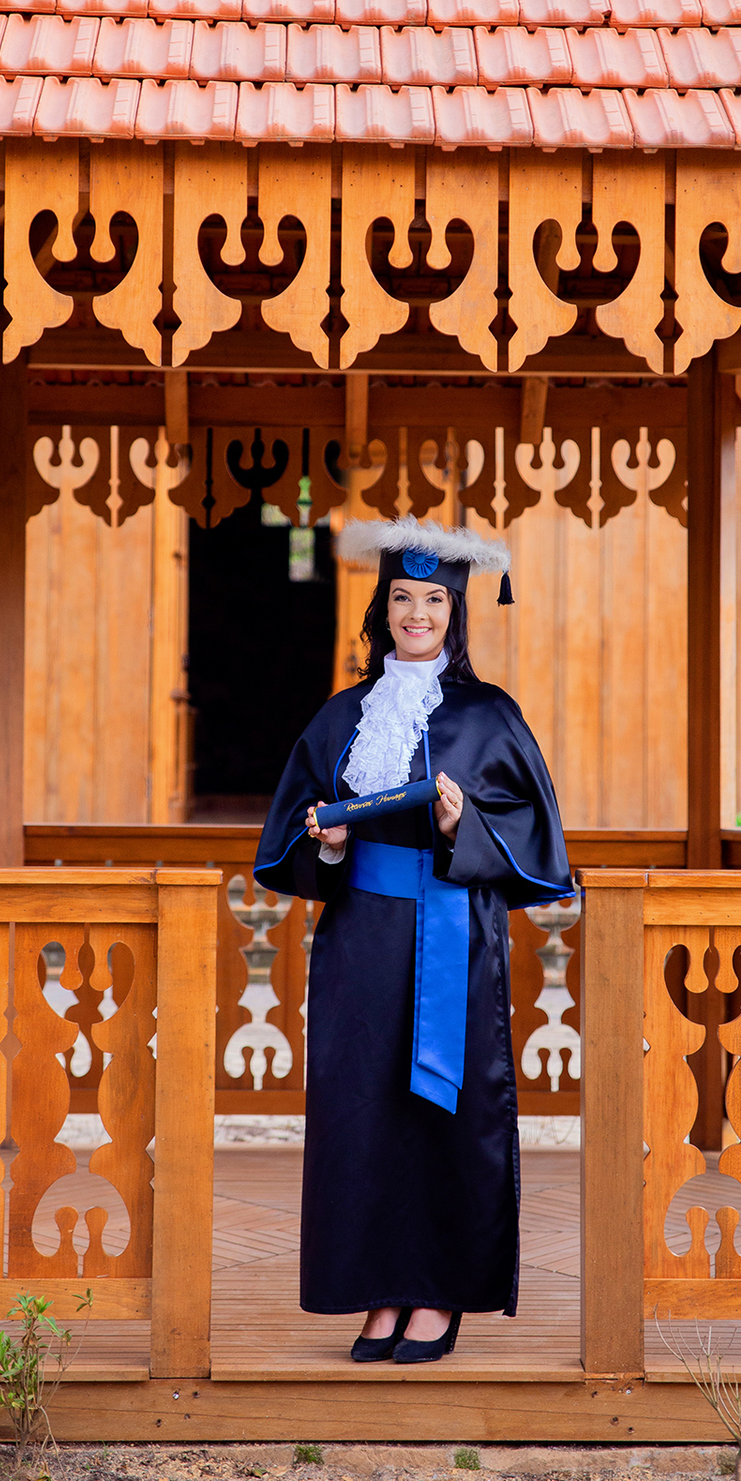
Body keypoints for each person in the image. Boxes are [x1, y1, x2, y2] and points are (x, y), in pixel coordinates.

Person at [253, 518, 571, 1365]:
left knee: (443, 1113)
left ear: (455, 611)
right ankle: (380, 1290)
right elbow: (292, 838)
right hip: (360, 939)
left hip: (453, 934)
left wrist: (465, 825)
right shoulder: (342, 716)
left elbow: (538, 837)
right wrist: (326, 844)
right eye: (402, 598)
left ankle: (436, 1292)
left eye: (434, 600)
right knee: (363, 1111)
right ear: (382, 609)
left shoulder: (491, 716)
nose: (417, 614)